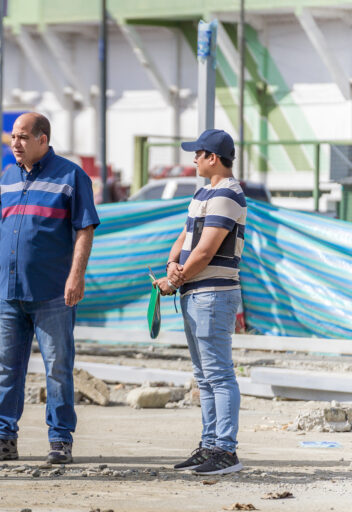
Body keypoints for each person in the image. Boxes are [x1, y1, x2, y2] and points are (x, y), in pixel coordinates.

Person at [0, 112, 100, 465]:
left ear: (43, 139)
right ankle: (4, 438)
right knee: (6, 367)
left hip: (52, 295)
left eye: (23, 137)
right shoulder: (8, 178)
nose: (15, 143)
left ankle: (60, 440)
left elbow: (84, 229)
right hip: (10, 294)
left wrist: (76, 276)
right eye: (13, 137)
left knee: (58, 368)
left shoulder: (71, 176)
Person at [155, 129, 246, 475]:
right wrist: (171, 264)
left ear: (213, 157)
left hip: (213, 294)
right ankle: (210, 445)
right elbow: (187, 234)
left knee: (219, 375)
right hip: (196, 293)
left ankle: (226, 451)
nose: (193, 158)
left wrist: (175, 278)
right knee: (205, 376)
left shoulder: (226, 195)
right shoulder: (205, 192)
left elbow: (207, 250)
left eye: (198, 153)